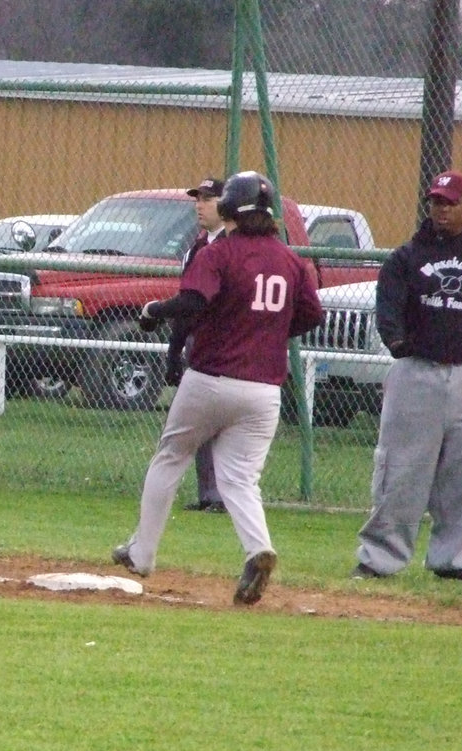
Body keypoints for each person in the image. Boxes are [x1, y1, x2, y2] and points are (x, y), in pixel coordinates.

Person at [111, 171, 324, 605]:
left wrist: (152, 309)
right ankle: (258, 548)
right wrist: (269, 331)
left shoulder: (219, 253)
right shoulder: (290, 260)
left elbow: (193, 303)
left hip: (211, 379)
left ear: (228, 209)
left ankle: (143, 553)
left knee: (171, 456)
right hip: (264, 390)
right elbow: (311, 316)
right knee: (242, 479)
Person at [352, 170, 462, 583]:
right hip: (418, 372)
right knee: (402, 468)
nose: (441, 210)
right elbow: (389, 309)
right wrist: (399, 343)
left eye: (450, 203)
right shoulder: (407, 257)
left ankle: (455, 560)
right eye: (436, 202)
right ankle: (379, 558)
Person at [167, 176, 228, 514]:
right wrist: (174, 351)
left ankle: (225, 495)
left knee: (226, 423)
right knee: (199, 424)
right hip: (198, 343)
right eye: (197, 199)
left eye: (208, 198)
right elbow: (186, 302)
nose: (199, 205)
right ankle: (209, 494)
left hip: (229, 346)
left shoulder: (234, 247)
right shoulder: (198, 247)